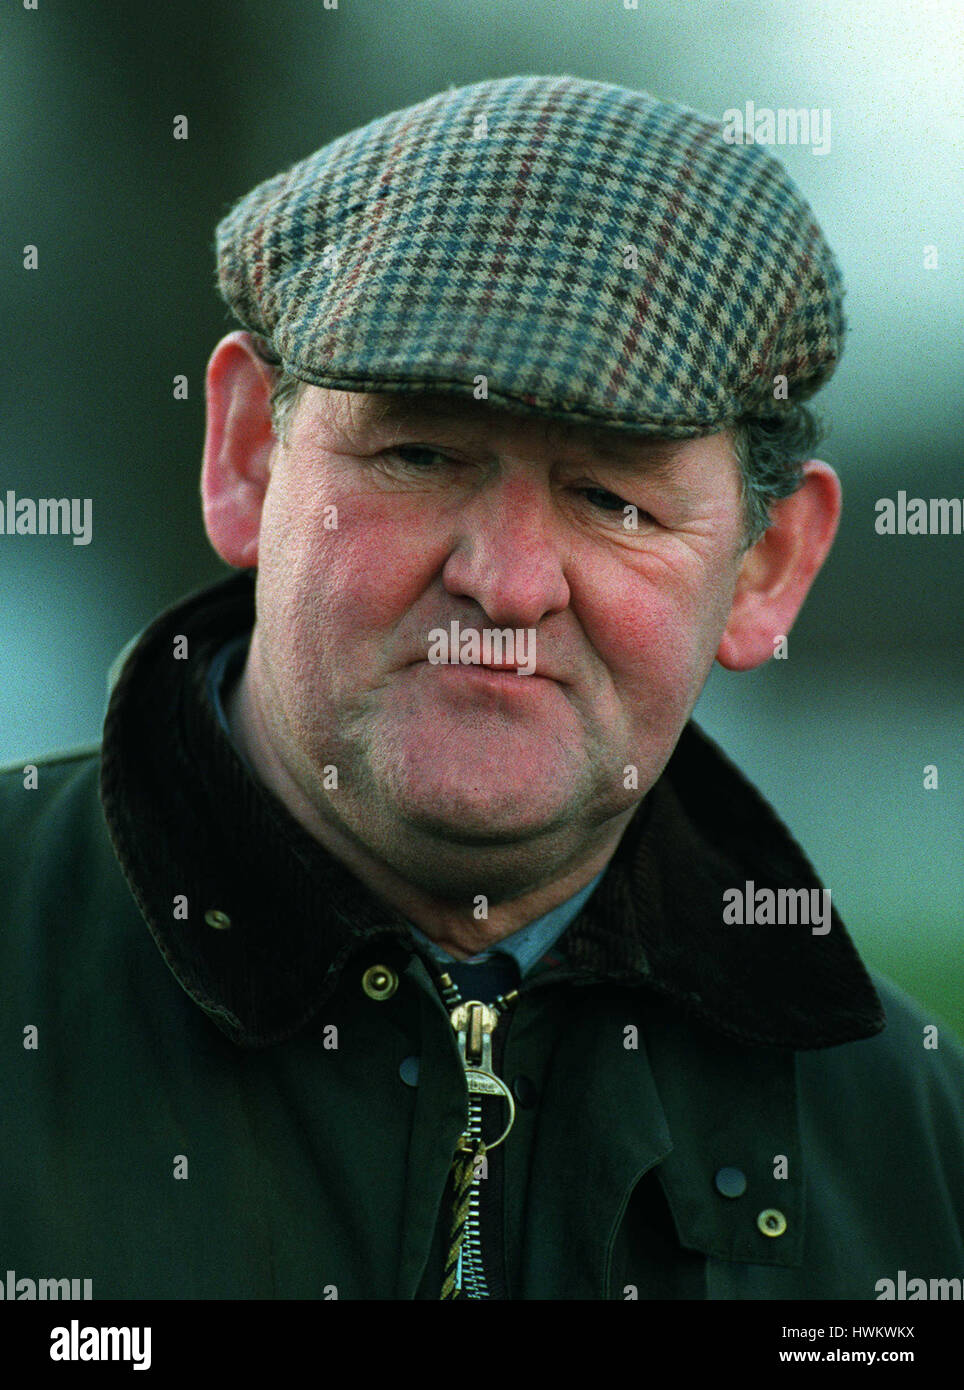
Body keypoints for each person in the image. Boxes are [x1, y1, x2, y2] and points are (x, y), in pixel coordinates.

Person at [2, 74, 962, 1302]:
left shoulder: (916, 1163)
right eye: (420, 454)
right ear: (247, 452)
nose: (505, 584)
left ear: (766, 568)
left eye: (613, 498)